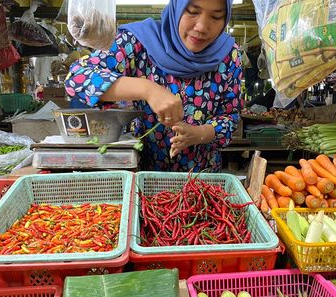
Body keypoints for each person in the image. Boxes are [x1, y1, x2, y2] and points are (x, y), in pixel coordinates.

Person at [65, 0, 243, 172]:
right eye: (193, 12)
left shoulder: (228, 55)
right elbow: (77, 77)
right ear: (177, 6)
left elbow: (229, 116)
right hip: (142, 175)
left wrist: (199, 133)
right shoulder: (138, 42)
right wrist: (147, 89)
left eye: (216, 17)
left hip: (201, 180)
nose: (202, 27)